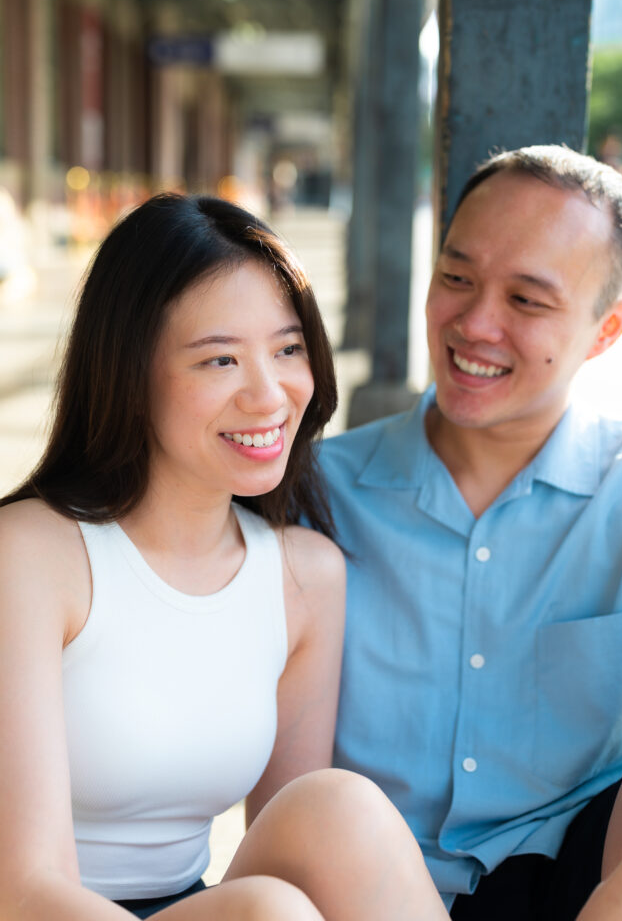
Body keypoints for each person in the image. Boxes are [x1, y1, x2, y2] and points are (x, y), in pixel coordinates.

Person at [0, 193, 452, 921]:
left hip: (200, 909)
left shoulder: (305, 576)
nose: (269, 395)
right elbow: (21, 889)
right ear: (128, 371)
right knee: (269, 914)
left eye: (288, 348)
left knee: (336, 807)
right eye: (219, 359)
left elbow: (295, 843)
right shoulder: (31, 554)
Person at [318, 145, 622, 919]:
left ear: (606, 330)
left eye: (526, 300)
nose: (475, 323)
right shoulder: (316, 492)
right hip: (365, 888)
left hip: (593, 885)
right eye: (456, 278)